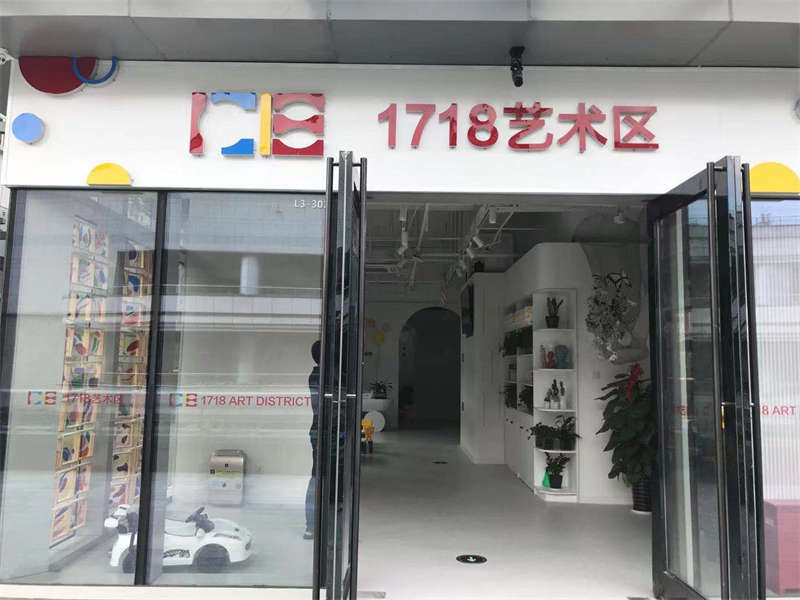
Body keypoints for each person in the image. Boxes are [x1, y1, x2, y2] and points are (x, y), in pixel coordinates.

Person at [303, 340, 320, 539]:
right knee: (317, 477)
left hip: (320, 430)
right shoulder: (319, 376)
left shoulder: (316, 375)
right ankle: (311, 525)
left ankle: (313, 524)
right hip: (322, 432)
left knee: (318, 476)